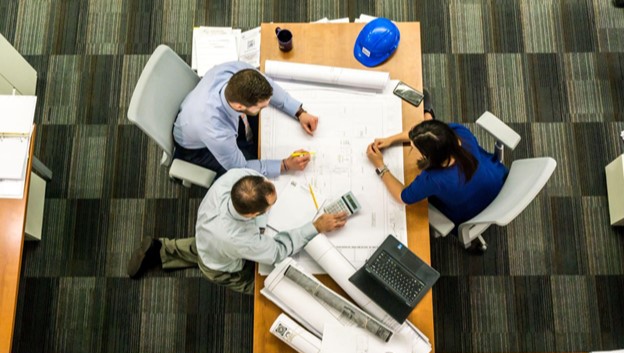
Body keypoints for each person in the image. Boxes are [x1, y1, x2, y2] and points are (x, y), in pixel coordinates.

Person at [127, 168, 348, 295]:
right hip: (221, 265)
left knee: (203, 247)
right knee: (265, 286)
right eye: (271, 205)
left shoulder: (237, 178)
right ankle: (165, 252)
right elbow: (278, 251)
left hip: (207, 236)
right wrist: (315, 226)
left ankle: (161, 249)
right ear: (252, 215)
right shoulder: (240, 239)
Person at [365, 91, 508, 249]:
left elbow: (402, 197)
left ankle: (427, 113)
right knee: (427, 118)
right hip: (498, 181)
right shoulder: (459, 133)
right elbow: (431, 134)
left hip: (470, 213)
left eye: (415, 148)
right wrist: (390, 140)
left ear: (430, 156)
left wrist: (380, 166)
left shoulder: (434, 179)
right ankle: (428, 113)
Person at [173, 61, 319, 179]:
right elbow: (240, 168)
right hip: (196, 149)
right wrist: (285, 165)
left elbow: (269, 86)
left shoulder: (237, 72)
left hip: (197, 111)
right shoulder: (216, 131)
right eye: (261, 107)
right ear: (239, 106)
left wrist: (299, 112)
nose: (266, 107)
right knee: (249, 177)